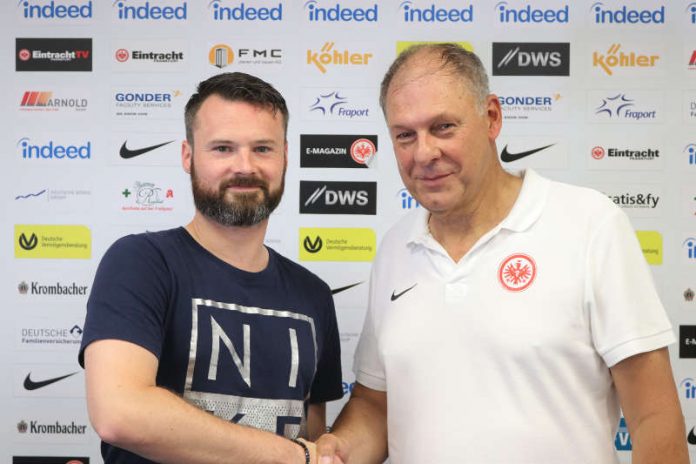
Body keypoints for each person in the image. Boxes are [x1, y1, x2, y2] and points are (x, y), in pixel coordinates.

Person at [316, 44, 688, 464]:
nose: (423, 153)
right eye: (405, 135)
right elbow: (376, 404)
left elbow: (654, 418)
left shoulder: (589, 224)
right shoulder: (395, 247)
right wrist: (339, 449)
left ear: (491, 117)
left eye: (443, 127)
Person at [79, 72, 342, 464]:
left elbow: (310, 436)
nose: (244, 166)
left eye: (263, 149)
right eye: (222, 148)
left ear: (286, 156)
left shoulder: (313, 295)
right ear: (188, 156)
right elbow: (120, 413)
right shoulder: (141, 263)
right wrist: (288, 456)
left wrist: (312, 453)